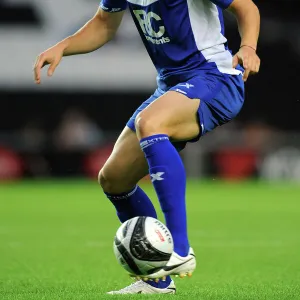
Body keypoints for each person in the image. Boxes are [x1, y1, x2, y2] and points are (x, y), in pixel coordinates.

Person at [33, 0, 260, 294]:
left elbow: (246, 7)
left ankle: (179, 250)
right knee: (114, 178)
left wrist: (249, 47)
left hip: (215, 77)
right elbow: (104, 24)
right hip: (171, 86)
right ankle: (156, 280)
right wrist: (63, 46)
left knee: (150, 123)